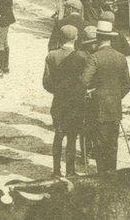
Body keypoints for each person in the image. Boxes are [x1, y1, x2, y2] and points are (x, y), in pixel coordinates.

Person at [80, 26, 130, 172]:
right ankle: (112, 174)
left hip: (98, 107)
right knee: (112, 143)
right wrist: (115, 96)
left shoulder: (94, 57)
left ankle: (102, 175)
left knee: (100, 143)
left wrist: (92, 94)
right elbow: (127, 85)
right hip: (115, 107)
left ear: (98, 38)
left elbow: (83, 82)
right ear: (110, 38)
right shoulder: (120, 57)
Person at [44, 26, 81, 176]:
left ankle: (56, 171)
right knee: (72, 138)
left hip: (58, 101)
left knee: (58, 135)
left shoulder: (51, 55)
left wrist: (58, 91)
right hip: (74, 104)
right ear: (76, 38)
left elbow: (46, 82)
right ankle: (70, 171)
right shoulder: (80, 56)